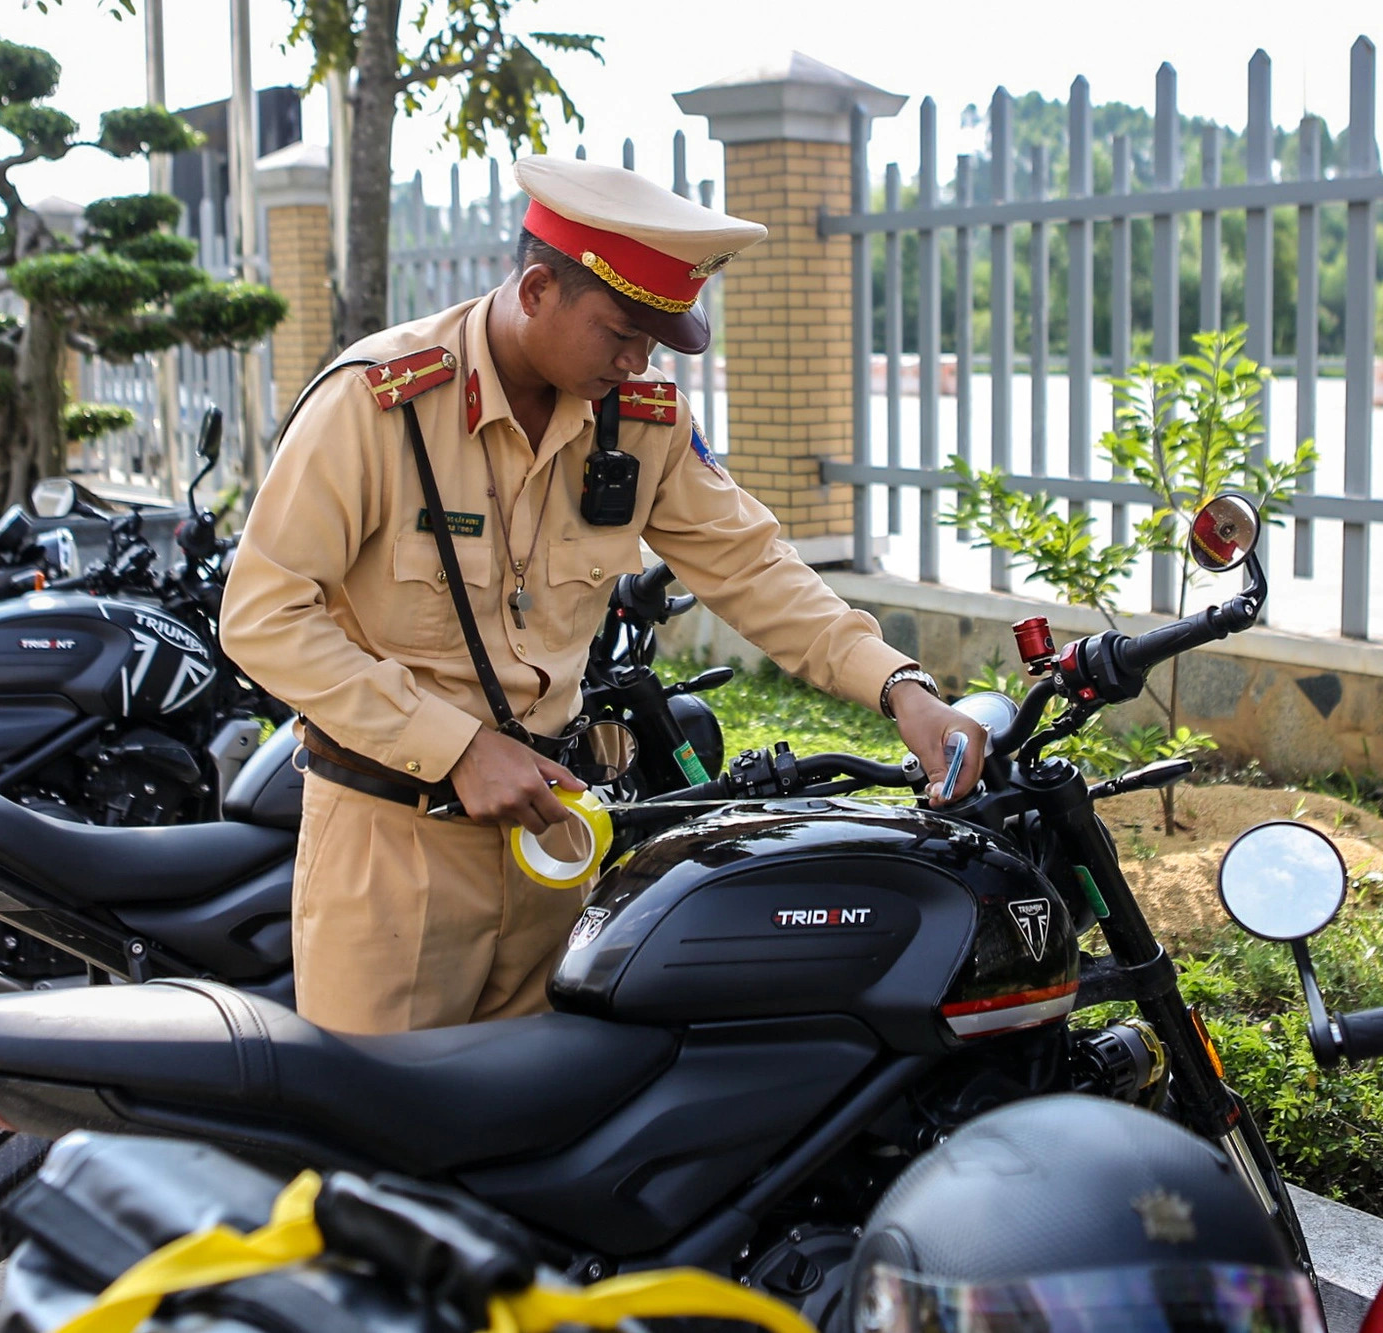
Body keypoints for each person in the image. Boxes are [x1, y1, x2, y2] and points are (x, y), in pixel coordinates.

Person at [219, 154, 986, 1036]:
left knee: (537, 1131)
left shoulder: (642, 418)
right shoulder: (381, 403)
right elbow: (262, 616)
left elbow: (756, 567)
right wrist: (458, 747)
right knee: (374, 1147)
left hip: (553, 845)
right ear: (537, 288)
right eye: (620, 332)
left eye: (655, 341)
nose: (637, 361)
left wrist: (902, 686)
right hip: (392, 849)